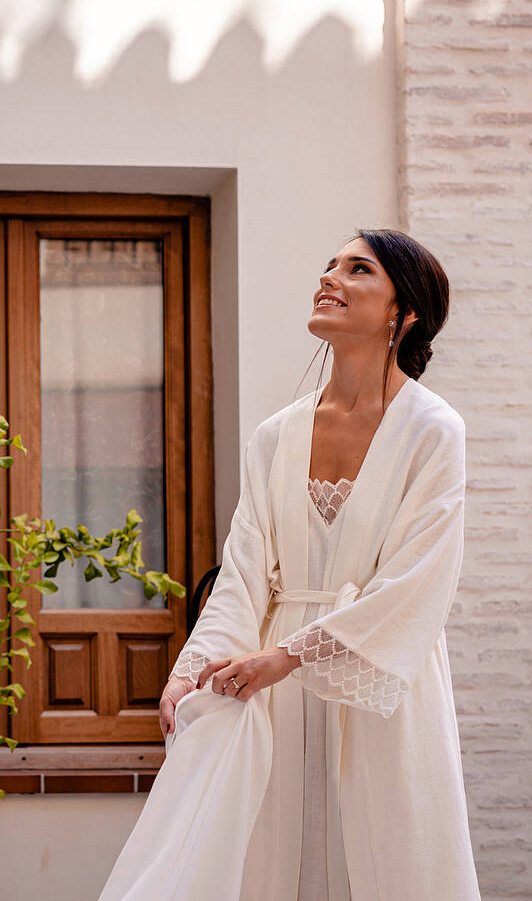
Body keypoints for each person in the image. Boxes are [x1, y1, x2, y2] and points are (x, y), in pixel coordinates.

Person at [99, 230, 481, 901]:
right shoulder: (275, 435)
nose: (329, 278)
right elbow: (244, 570)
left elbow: (417, 581)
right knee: (273, 857)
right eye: (330, 266)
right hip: (271, 685)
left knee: (382, 856)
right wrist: (191, 668)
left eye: (358, 269)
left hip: (377, 678)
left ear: (404, 311)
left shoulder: (433, 430)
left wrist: (290, 655)